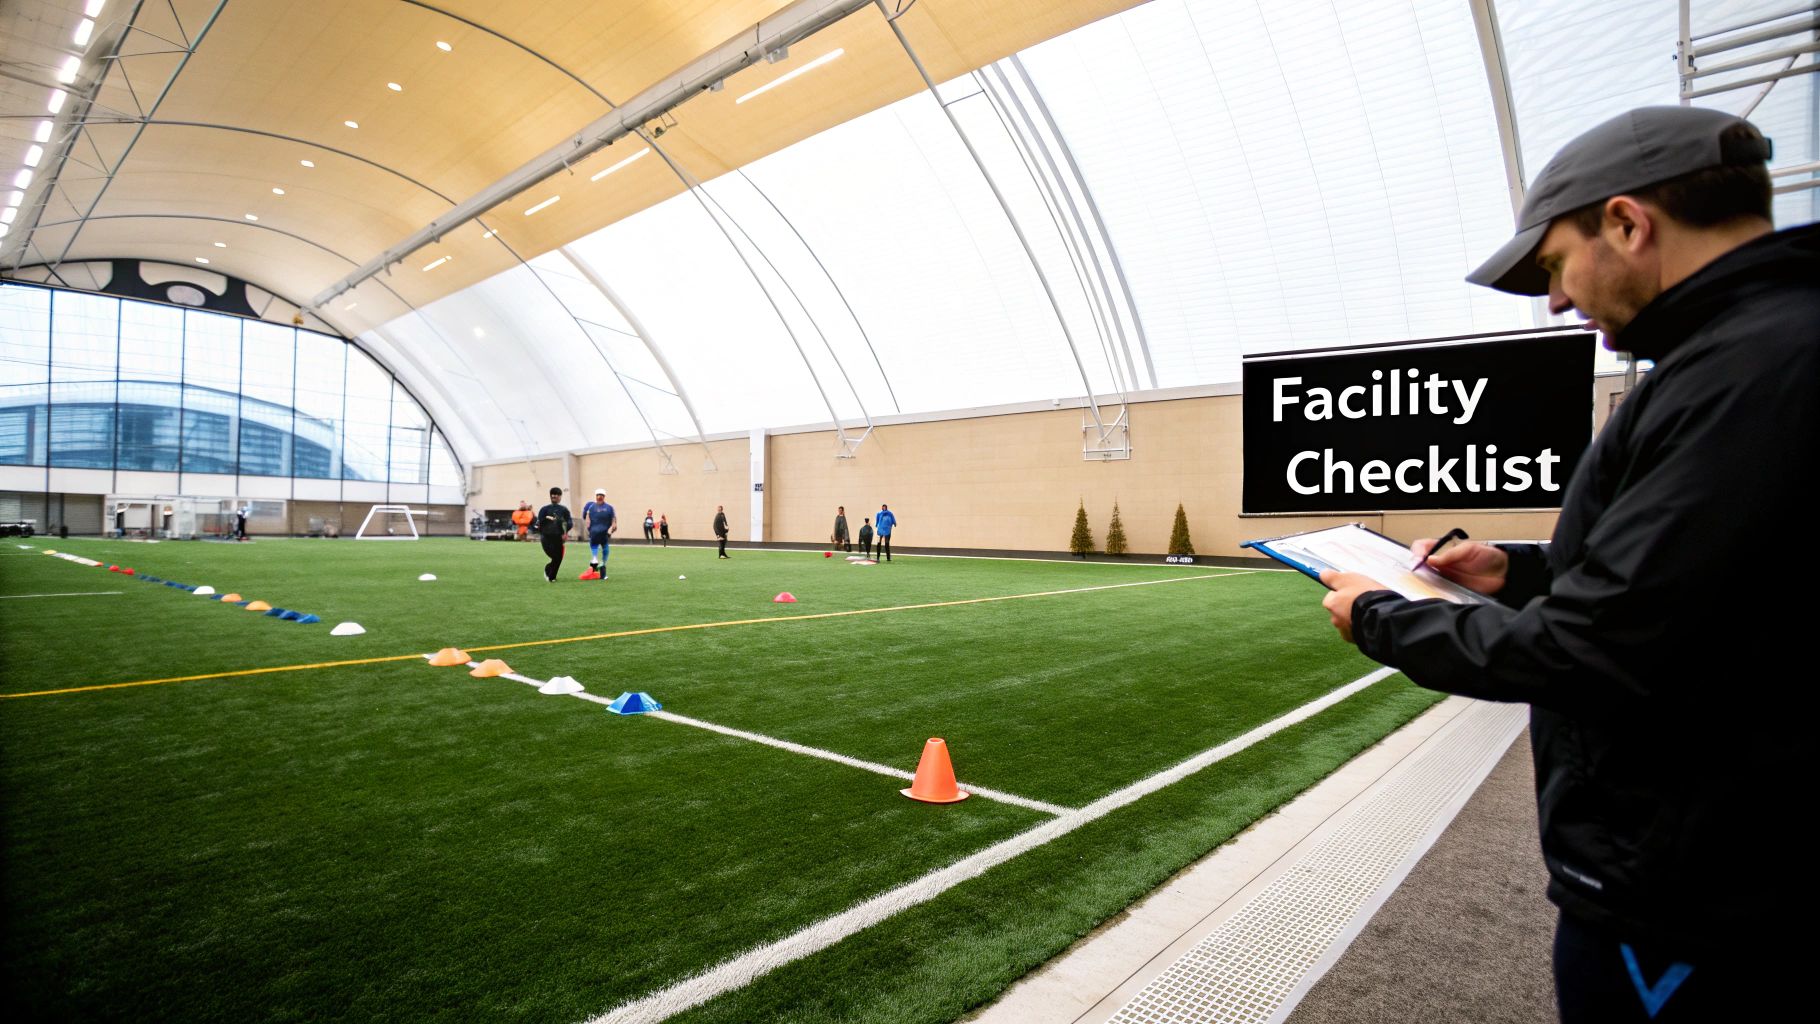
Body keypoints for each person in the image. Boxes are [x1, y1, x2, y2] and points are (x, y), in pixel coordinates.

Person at [1315, 106, 1815, 1022]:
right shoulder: (1755, 352)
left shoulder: (1749, 371)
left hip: (1697, 906)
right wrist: (1519, 570)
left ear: (1627, 224)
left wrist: (1384, 613)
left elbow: (1594, 651)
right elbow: (1706, 586)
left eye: (1553, 265)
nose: (1553, 301)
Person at [534, 487, 572, 582]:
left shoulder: (564, 510)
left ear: (560, 497)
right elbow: (538, 523)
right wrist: (544, 522)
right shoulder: (544, 509)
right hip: (546, 537)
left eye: (557, 494)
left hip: (558, 538)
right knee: (554, 557)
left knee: (558, 558)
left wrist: (565, 532)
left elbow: (569, 522)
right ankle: (548, 569)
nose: (554, 496)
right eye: (553, 494)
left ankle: (552, 577)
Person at [582, 488, 617, 581]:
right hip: (595, 532)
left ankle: (599, 565)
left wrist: (613, 525)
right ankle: (596, 567)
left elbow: (613, 518)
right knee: (598, 550)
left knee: (603, 549)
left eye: (601, 495)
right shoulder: (591, 506)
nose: (599, 497)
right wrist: (588, 523)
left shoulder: (609, 508)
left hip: (603, 533)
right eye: (598, 495)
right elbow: (586, 517)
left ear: (604, 497)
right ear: (596, 496)